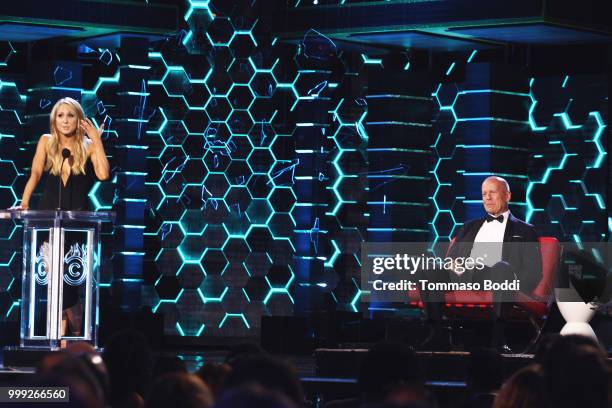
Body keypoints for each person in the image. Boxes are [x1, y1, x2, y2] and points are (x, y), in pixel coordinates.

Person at [13, 97, 110, 336]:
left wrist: (97, 141)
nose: (65, 120)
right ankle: (64, 332)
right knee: (52, 279)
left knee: (69, 280)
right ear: (54, 120)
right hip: (48, 219)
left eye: (70, 115)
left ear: (79, 119)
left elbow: (103, 174)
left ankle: (72, 332)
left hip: (77, 222)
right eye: (60, 115)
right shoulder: (46, 142)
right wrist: (24, 203)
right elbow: (36, 173)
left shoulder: (88, 144)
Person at [420, 176, 542, 351]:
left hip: (497, 277)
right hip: (465, 275)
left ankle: (499, 337)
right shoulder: (469, 226)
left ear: (507, 196)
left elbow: (533, 271)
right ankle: (437, 334)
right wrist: (454, 265)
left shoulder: (525, 231)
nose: (487, 198)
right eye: (484, 193)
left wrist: (517, 286)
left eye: (492, 192)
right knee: (429, 271)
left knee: (501, 268)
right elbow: (451, 260)